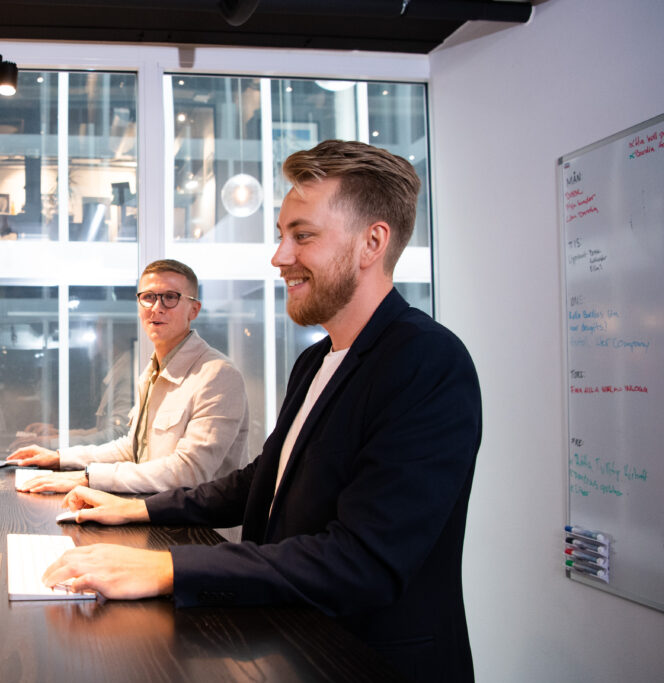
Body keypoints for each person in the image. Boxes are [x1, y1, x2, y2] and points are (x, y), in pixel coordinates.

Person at [42, 140, 483, 683]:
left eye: (303, 235)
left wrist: (167, 566)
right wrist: (138, 511)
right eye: (281, 235)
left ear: (373, 242)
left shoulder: (428, 361)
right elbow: (259, 480)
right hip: (289, 645)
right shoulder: (317, 360)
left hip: (367, 662)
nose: (279, 256)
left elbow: (362, 560)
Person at [10, 259, 250, 494]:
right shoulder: (150, 372)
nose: (157, 308)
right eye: (148, 297)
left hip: (201, 531)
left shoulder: (217, 374)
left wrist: (88, 478)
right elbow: (133, 450)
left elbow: (189, 471)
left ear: (193, 309)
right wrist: (60, 458)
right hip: (154, 513)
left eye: (170, 297)